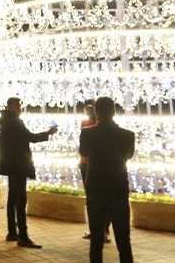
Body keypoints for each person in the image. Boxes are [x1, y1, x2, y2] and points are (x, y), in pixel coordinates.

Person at [0, 96, 58, 249]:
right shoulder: (14, 121)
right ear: (10, 105)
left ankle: (12, 232)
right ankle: (23, 236)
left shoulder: (6, 120)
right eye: (17, 105)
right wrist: (48, 133)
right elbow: (29, 137)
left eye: (20, 105)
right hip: (18, 163)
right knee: (20, 199)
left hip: (11, 163)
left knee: (12, 198)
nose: (20, 108)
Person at [78, 96, 135, 263]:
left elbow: (84, 153)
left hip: (96, 188)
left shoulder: (88, 133)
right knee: (124, 240)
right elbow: (129, 155)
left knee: (96, 240)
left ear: (96, 112)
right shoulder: (127, 135)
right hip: (118, 188)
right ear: (114, 111)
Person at [79, 101, 111, 243]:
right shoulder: (85, 124)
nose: (89, 112)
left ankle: (105, 230)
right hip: (86, 164)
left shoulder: (104, 126)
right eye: (87, 109)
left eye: (91, 109)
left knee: (103, 198)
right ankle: (95, 230)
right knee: (90, 199)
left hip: (97, 165)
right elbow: (83, 147)